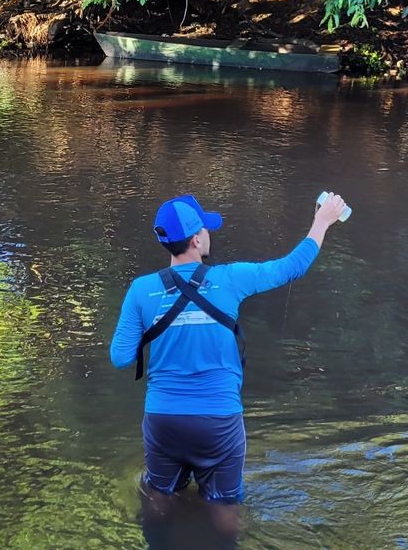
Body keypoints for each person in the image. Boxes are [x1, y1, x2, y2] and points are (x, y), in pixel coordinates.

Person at [109, 191, 350, 524]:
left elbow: (121, 357)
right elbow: (292, 267)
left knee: (159, 499)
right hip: (218, 421)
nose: (209, 234)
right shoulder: (230, 279)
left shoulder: (140, 290)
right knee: (224, 510)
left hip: (163, 419)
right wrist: (321, 221)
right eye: (205, 230)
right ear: (195, 240)